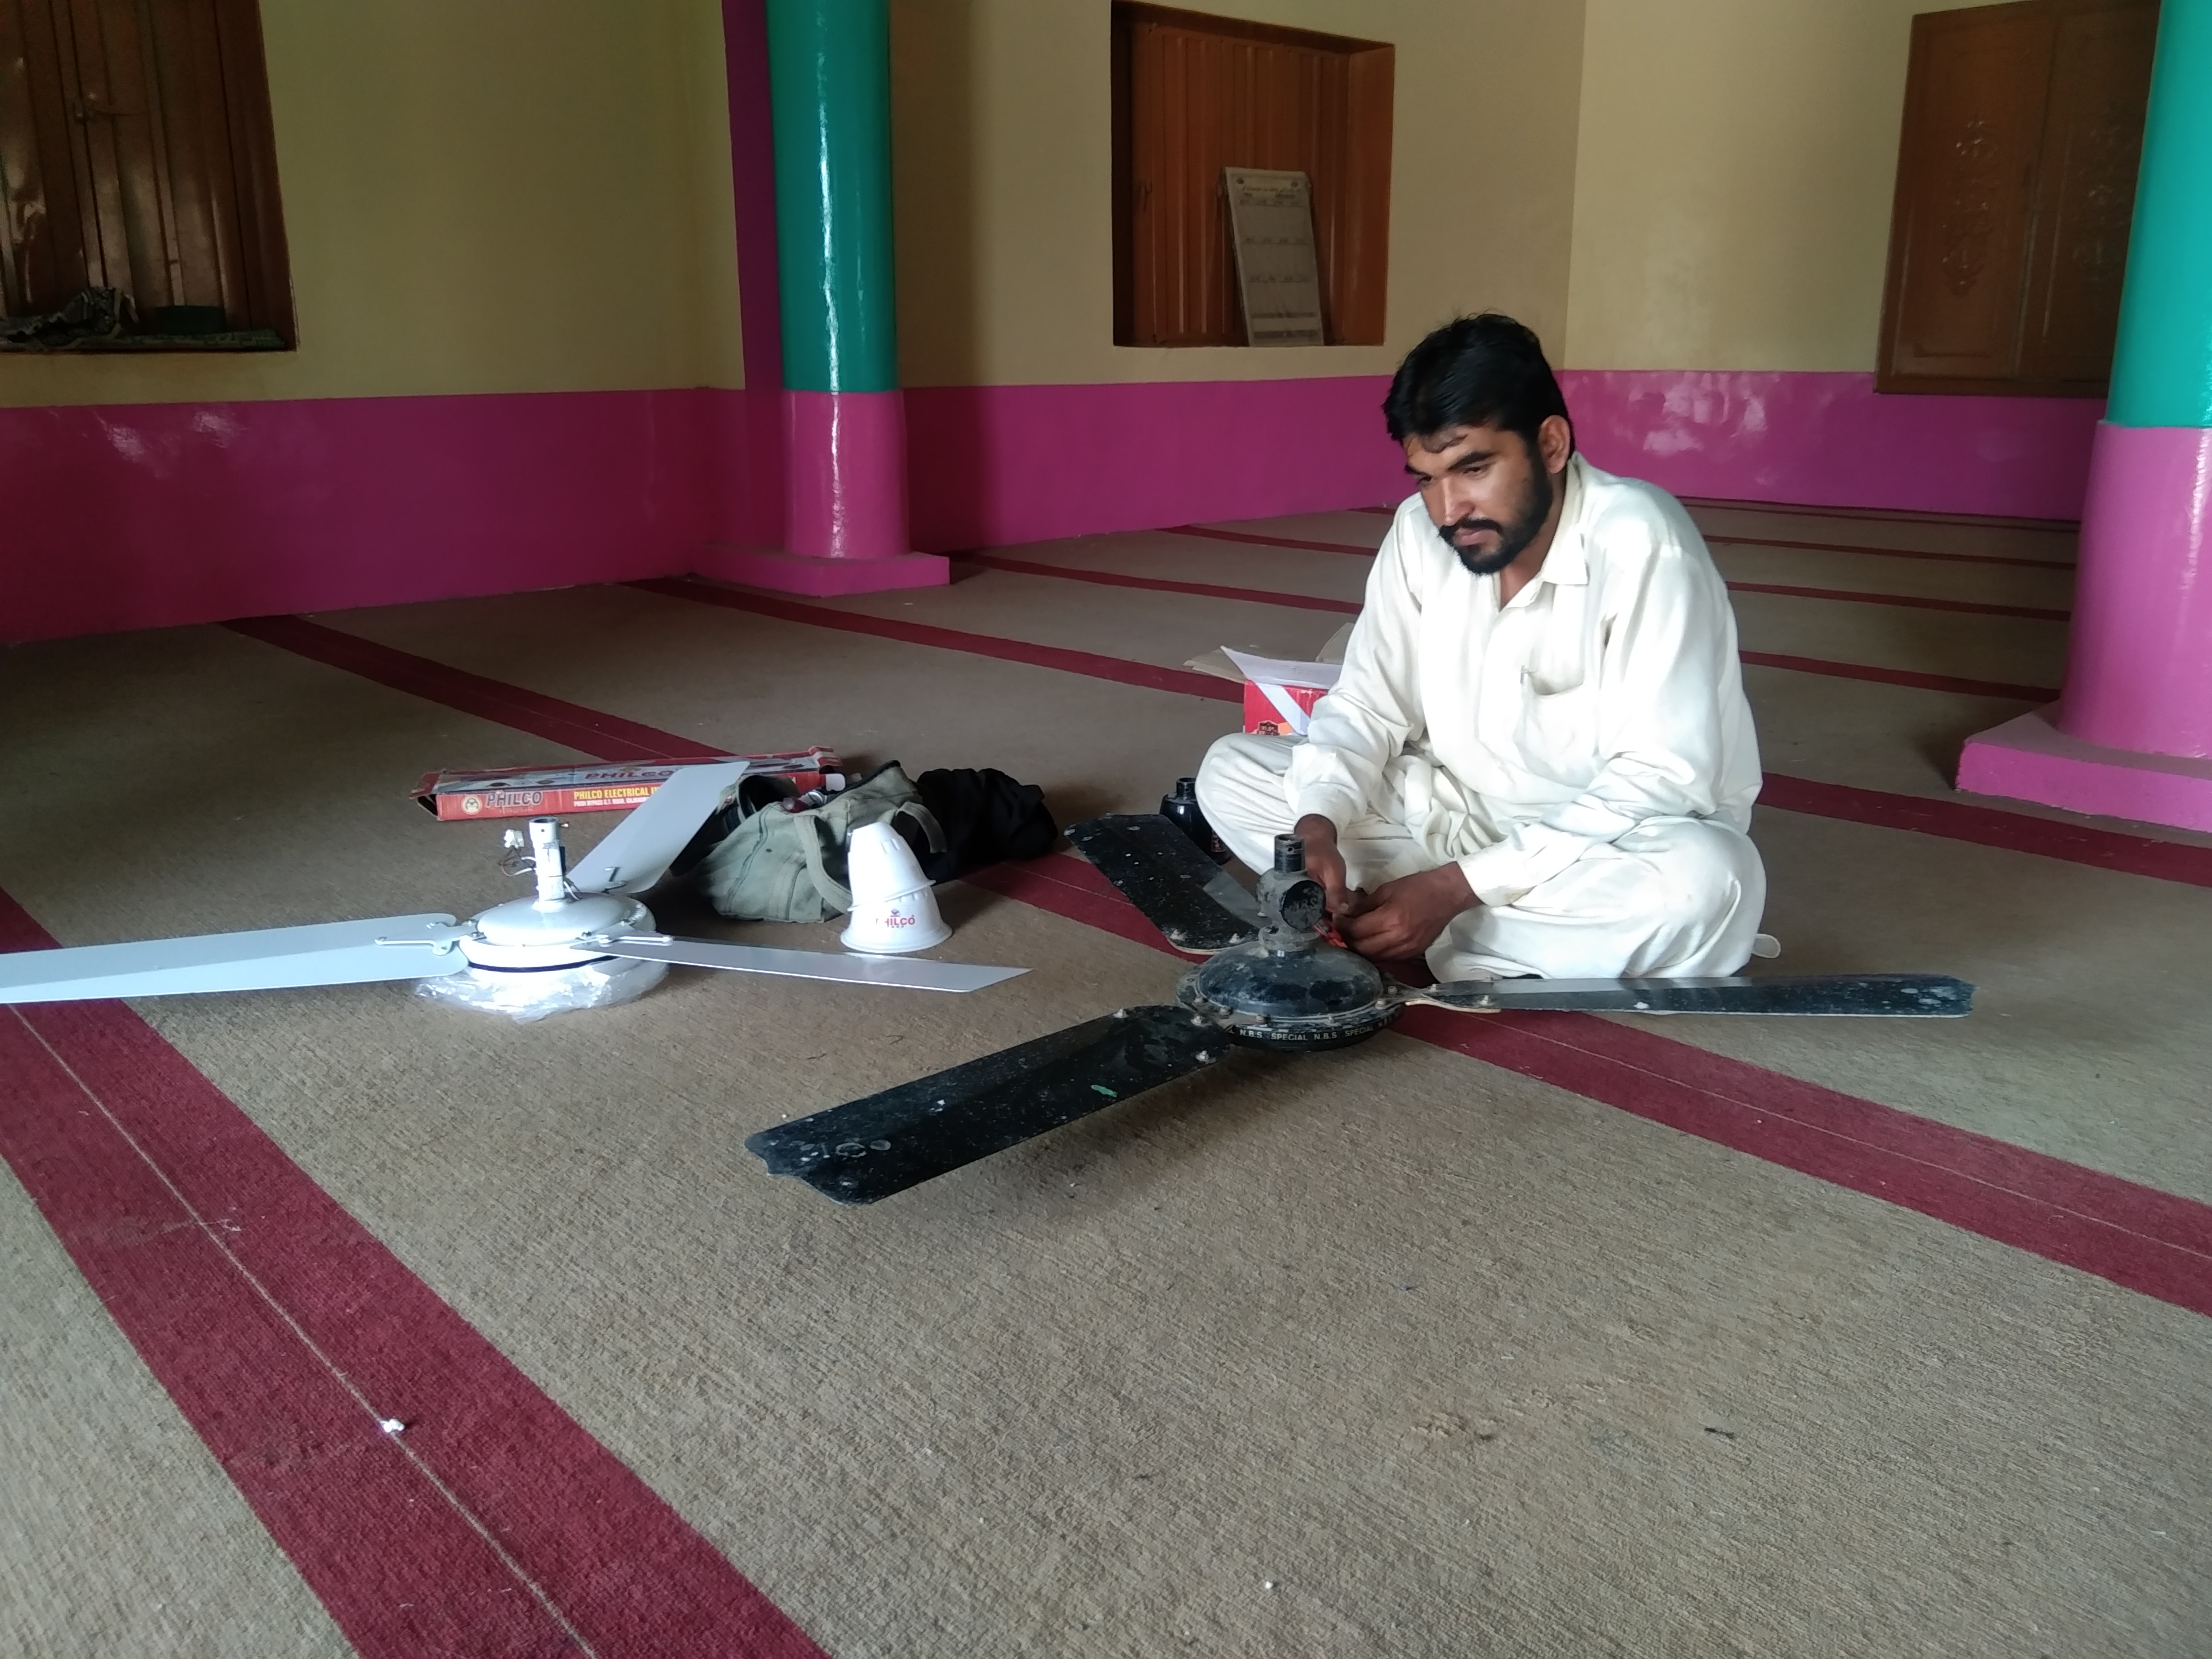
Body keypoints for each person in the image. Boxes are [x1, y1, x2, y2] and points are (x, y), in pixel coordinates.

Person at [1194, 313, 1768, 983]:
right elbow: (1368, 706)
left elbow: (1660, 778)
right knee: (1229, 772)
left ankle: (1411, 922)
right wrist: (1318, 823)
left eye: (1472, 469)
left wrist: (1453, 888)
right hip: (1446, 809)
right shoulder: (1418, 534)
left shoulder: (1642, 543)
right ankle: (1451, 928)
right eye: (1425, 478)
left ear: (1550, 444)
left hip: (1600, 841)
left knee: (1705, 886)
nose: (1447, 511)